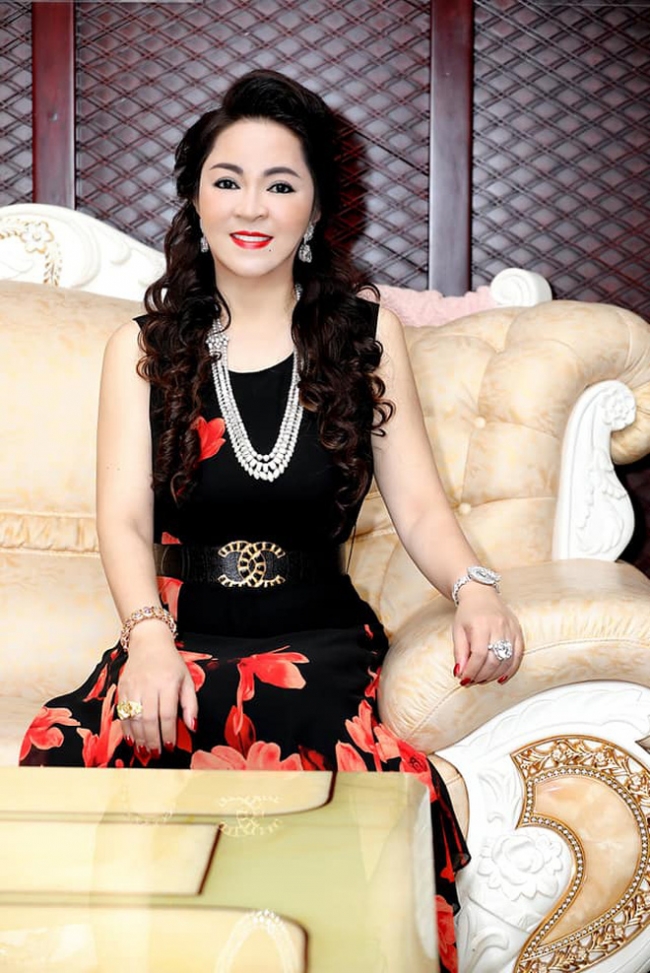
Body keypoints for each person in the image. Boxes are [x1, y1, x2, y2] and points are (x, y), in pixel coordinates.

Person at [19, 69, 524, 971]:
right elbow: (124, 522)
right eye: (229, 180)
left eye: (280, 184)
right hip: (179, 632)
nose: (252, 206)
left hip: (316, 638)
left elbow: (417, 504)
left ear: (315, 208)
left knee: (311, 735)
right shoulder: (143, 348)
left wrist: (475, 586)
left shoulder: (365, 336)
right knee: (73, 744)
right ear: (195, 199)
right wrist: (146, 638)